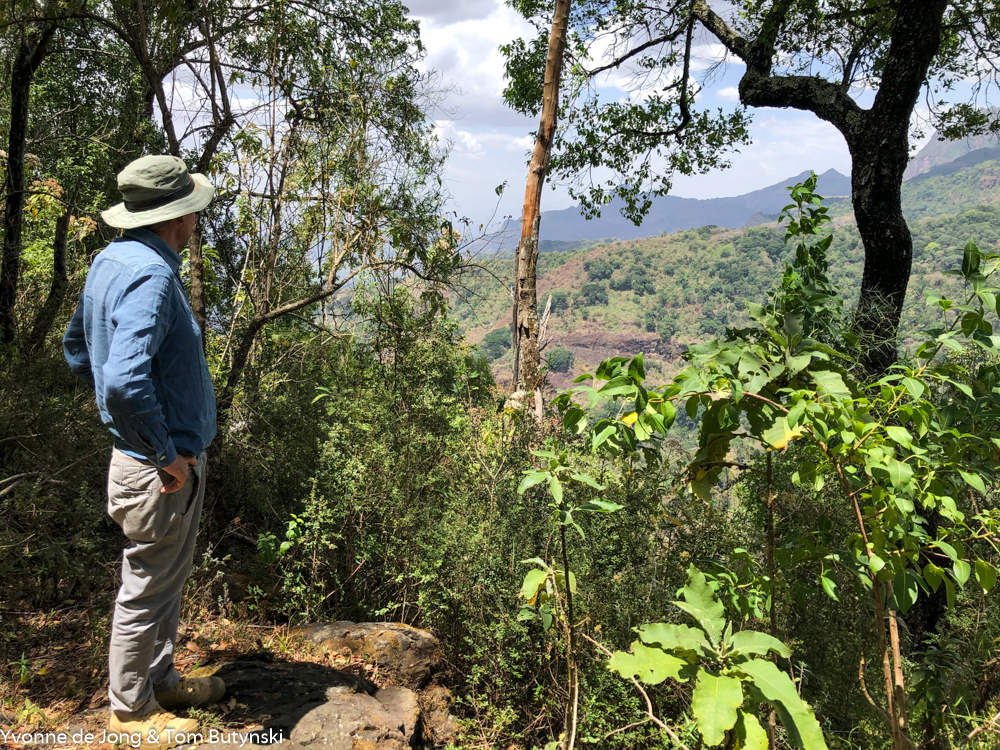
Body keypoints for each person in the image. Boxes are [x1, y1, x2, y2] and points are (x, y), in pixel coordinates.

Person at [63, 155, 224, 748]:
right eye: (192, 212)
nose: (196, 220)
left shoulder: (112, 260)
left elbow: (78, 348)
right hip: (160, 469)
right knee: (147, 581)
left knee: (166, 577)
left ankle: (158, 677)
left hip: (154, 460)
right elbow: (123, 382)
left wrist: (122, 423)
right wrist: (162, 452)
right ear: (175, 218)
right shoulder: (153, 276)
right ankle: (130, 710)